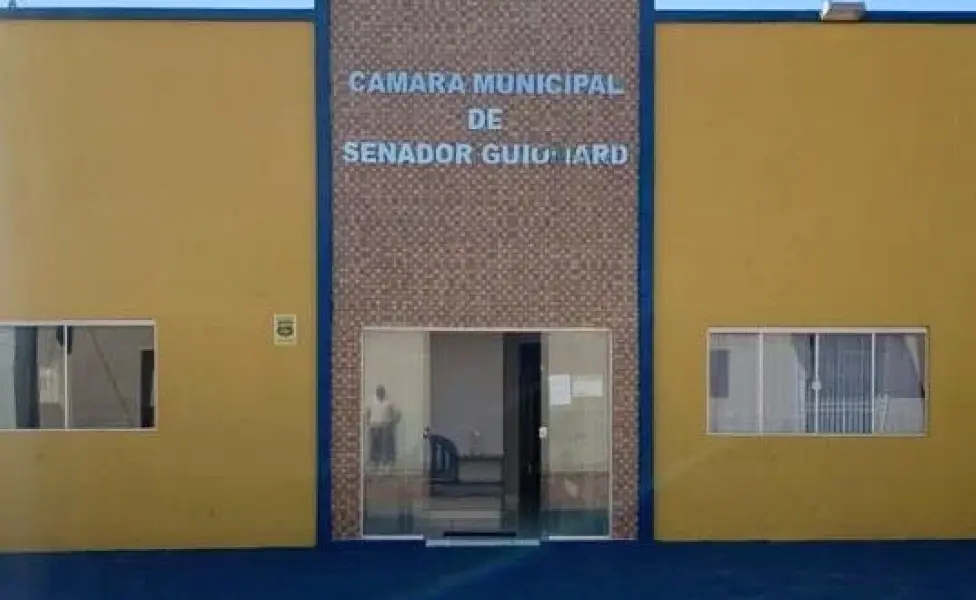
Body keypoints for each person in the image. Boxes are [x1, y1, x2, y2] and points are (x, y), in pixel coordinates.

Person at [366, 384, 399, 472]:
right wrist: (368, 422)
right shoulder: (372, 400)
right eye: (378, 392)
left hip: (385, 426)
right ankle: (374, 463)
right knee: (374, 445)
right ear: (376, 393)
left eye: (381, 392)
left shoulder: (389, 401)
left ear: (384, 392)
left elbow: (397, 413)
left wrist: (392, 422)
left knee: (386, 446)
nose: (380, 394)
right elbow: (367, 411)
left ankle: (386, 463)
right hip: (374, 425)